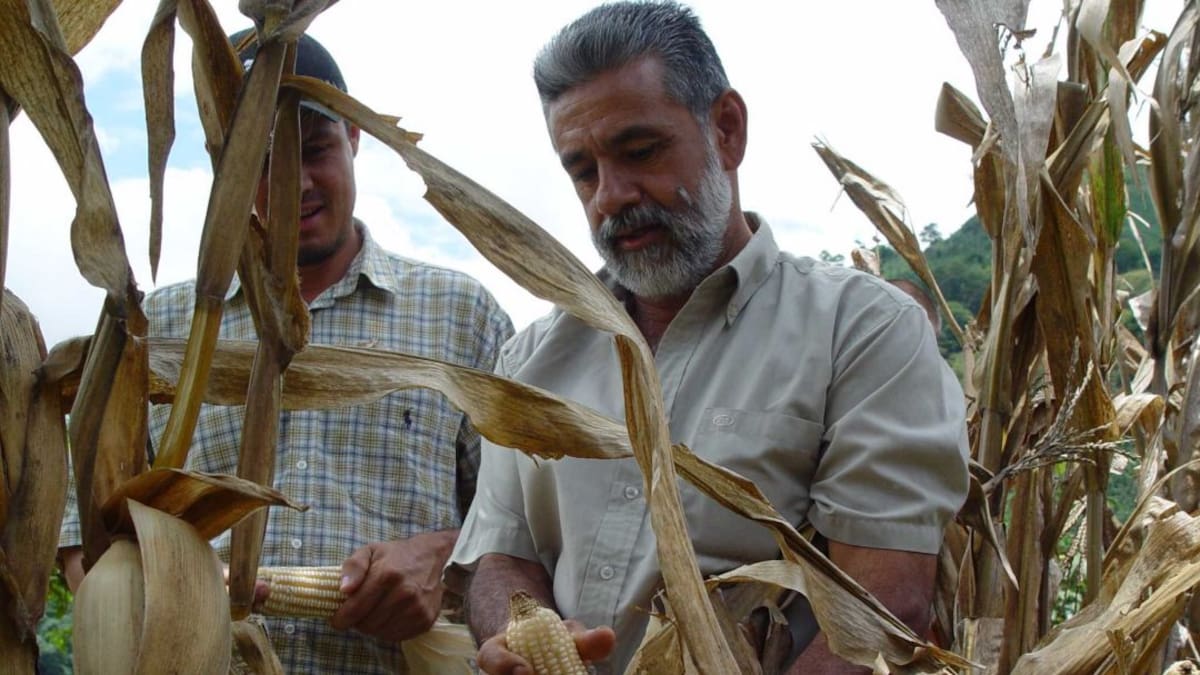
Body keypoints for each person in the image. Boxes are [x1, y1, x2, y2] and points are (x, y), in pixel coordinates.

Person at [445, 2, 969, 673]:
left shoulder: (862, 333)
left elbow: (881, 610)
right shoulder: (527, 361)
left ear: (727, 129)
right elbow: (501, 557)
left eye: (640, 152)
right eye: (583, 171)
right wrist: (520, 630)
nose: (611, 195)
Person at [58, 30, 514, 674]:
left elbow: (519, 526)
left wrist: (441, 556)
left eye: (317, 149)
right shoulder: (155, 329)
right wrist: (166, 592)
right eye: (263, 160)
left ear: (354, 142)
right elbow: (81, 534)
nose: (294, 182)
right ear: (225, 166)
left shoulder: (463, 317)